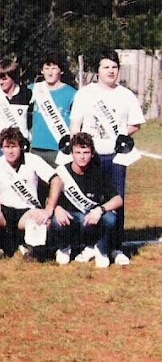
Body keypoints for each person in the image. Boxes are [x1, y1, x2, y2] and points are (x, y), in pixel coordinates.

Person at [70, 49, 145, 260]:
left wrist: (121, 135)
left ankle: (115, 247)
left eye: (114, 67)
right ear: (98, 70)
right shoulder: (85, 93)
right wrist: (76, 149)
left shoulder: (125, 94)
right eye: (106, 67)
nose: (111, 71)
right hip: (91, 155)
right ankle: (91, 245)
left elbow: (135, 124)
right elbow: (75, 124)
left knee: (115, 200)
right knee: (90, 200)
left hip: (116, 156)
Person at [0, 127, 62, 261]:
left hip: (26, 211)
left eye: (14, 146)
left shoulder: (33, 160)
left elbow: (56, 180)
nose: (10, 151)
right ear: (1, 148)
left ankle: (33, 251)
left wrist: (49, 209)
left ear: (21, 147)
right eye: (6, 147)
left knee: (43, 220)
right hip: (4, 212)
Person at [51, 133, 124, 268]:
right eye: (78, 152)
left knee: (110, 219)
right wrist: (57, 208)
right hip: (71, 218)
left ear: (92, 154)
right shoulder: (62, 172)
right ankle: (64, 248)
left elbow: (118, 199)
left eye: (86, 152)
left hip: (91, 219)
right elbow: (48, 199)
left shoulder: (98, 172)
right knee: (56, 220)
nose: (82, 156)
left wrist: (100, 210)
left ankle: (100, 249)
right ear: (71, 153)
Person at [29, 51, 77, 168]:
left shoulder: (72, 94)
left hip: (60, 150)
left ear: (61, 70)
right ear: (42, 70)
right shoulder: (32, 90)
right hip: (36, 149)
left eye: (54, 68)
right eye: (47, 68)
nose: (50, 72)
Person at [0, 58, 32, 162]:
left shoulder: (27, 94)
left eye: (4, 79)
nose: (0, 82)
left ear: (12, 77)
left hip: (19, 147)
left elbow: (30, 120)